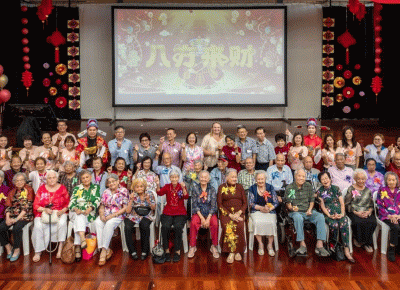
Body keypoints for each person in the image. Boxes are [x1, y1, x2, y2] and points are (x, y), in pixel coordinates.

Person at [284, 169, 329, 256]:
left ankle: (319, 245)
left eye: (303, 176)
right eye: (299, 176)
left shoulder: (308, 186)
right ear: (295, 176)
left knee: (320, 216)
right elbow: (288, 203)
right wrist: (291, 207)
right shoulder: (290, 187)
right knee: (298, 217)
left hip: (307, 210)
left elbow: (312, 200)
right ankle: (302, 244)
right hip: (295, 212)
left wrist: (309, 209)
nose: (301, 178)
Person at [316, 171, 355, 263]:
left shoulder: (336, 188)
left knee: (344, 223)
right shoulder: (319, 191)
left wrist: (341, 214)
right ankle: (333, 246)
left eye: (326, 178)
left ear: (330, 179)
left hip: (339, 212)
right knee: (334, 225)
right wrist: (329, 215)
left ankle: (346, 250)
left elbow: (342, 203)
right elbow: (322, 206)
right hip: (327, 214)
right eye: (322, 179)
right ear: (320, 181)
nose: (325, 180)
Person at [32, 170, 70, 262]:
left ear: (57, 178)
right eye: (49, 178)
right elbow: (36, 205)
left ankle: (60, 248)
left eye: (54, 177)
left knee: (62, 223)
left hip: (59, 212)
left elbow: (68, 203)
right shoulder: (41, 188)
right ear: (46, 179)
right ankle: (38, 251)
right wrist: (44, 209)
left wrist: (62, 211)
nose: (52, 179)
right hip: (43, 213)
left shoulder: (62, 188)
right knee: (38, 226)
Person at [95, 173, 128, 266]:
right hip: (106, 214)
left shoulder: (123, 191)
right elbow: (102, 205)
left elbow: (125, 208)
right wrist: (101, 214)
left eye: (113, 181)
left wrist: (112, 215)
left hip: (118, 215)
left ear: (118, 181)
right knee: (97, 222)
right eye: (109, 182)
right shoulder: (106, 191)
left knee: (109, 223)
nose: (111, 183)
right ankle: (106, 249)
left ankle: (104, 251)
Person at [68, 170, 101, 262]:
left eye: (87, 177)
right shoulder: (77, 188)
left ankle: (78, 246)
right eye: (83, 178)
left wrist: (90, 208)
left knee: (80, 218)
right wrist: (75, 209)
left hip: (89, 213)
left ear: (91, 178)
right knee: (79, 216)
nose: (85, 179)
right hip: (76, 212)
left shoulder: (96, 187)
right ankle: (82, 239)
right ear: (81, 179)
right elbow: (71, 203)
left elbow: (97, 200)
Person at [156, 169, 189, 263]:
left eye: (176, 177)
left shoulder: (181, 186)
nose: (174, 179)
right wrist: (158, 183)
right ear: (170, 178)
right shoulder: (167, 186)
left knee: (178, 227)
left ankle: (177, 251)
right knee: (165, 226)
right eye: (172, 177)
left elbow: (186, 197)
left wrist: (183, 188)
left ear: (178, 178)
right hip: (168, 212)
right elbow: (159, 193)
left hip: (180, 212)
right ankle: (166, 250)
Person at [0, 172, 34, 262]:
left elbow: (27, 207)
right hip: (13, 215)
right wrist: (7, 218)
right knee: (1, 227)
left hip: (25, 216)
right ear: (14, 182)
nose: (19, 182)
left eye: (21, 180)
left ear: (25, 181)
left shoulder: (29, 190)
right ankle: (8, 247)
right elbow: (8, 206)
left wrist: (16, 219)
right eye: (17, 180)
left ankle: (16, 249)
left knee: (16, 228)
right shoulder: (12, 191)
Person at [218, 168, 247, 263]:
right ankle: (232, 252)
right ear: (226, 177)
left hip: (239, 213)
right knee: (228, 226)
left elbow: (245, 203)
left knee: (239, 225)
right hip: (226, 213)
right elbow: (219, 204)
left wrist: (239, 213)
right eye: (232, 177)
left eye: (236, 177)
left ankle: (237, 251)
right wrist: (230, 215)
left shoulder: (240, 187)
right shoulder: (221, 187)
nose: (235, 179)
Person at [188, 170, 219, 259]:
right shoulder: (195, 188)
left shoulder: (212, 189)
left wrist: (208, 218)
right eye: (201, 177)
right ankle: (193, 246)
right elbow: (194, 205)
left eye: (205, 177)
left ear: (208, 179)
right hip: (199, 212)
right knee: (193, 223)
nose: (203, 179)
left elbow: (213, 206)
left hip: (210, 213)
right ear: (199, 178)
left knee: (215, 223)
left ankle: (214, 246)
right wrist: (202, 218)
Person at [344, 169, 377, 253]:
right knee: (358, 222)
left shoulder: (368, 190)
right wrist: (356, 213)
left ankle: (366, 243)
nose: (361, 181)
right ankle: (359, 239)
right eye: (358, 178)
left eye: (363, 179)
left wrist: (369, 212)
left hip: (366, 210)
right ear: (355, 179)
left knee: (372, 221)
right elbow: (347, 204)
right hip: (353, 210)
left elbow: (371, 205)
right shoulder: (351, 188)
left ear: (365, 179)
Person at [248, 170, 279, 256]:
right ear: (255, 179)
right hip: (257, 211)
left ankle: (269, 245)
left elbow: (276, 202)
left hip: (269, 211)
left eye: (262, 179)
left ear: (265, 179)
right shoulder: (252, 188)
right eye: (258, 179)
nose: (260, 181)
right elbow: (251, 203)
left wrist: (269, 209)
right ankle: (260, 244)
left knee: (272, 222)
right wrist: (261, 208)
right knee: (257, 222)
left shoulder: (270, 187)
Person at [124, 178, 156, 261]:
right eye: (137, 187)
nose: (139, 188)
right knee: (127, 226)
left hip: (146, 214)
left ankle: (145, 250)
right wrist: (131, 200)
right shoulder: (132, 195)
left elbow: (153, 208)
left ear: (144, 187)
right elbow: (127, 211)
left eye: (141, 186)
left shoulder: (149, 193)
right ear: (134, 188)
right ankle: (132, 251)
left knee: (144, 225)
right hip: (134, 214)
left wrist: (148, 201)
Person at [376, 172, 400, 262]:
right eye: (389, 180)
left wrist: (398, 216)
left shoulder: (399, 191)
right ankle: (391, 249)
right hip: (386, 215)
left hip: (398, 215)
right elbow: (379, 205)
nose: (391, 182)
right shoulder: (382, 190)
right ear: (386, 181)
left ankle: (398, 247)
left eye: (393, 180)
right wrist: (389, 216)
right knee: (396, 227)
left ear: (396, 181)